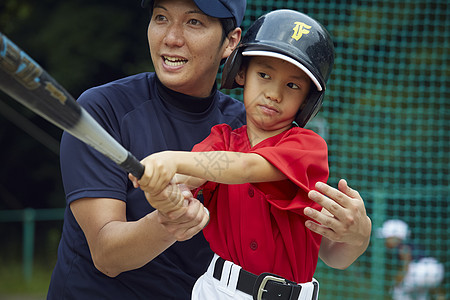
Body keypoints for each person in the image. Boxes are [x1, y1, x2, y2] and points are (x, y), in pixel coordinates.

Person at [47, 0, 371, 299]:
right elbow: (108, 256)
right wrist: (167, 216)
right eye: (161, 17)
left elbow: (324, 244)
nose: (172, 38)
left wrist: (356, 235)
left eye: (194, 22)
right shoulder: (104, 108)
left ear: (230, 42)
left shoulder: (262, 132)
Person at [131, 9, 364, 300]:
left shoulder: (307, 146)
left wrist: (170, 159)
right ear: (241, 72)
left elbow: (249, 167)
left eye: (292, 85)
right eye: (264, 74)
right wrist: (160, 185)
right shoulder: (222, 138)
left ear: (307, 100)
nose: (274, 94)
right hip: (216, 289)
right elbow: (185, 178)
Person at [377, 219, 445, 300]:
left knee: (398, 290)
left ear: (395, 237)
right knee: (420, 293)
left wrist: (396, 283)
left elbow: (406, 267)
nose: (385, 241)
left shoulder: (402, 248)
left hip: (420, 271)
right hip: (437, 269)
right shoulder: (411, 244)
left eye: (387, 238)